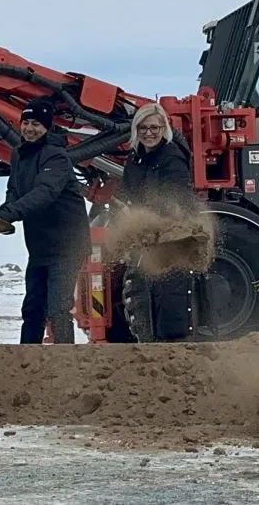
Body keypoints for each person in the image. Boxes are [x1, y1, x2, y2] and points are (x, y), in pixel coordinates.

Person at [0, 99, 91, 344]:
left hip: (67, 246)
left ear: (47, 127)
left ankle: (66, 361)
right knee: (32, 308)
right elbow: (14, 189)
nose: (30, 128)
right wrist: (3, 212)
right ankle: (27, 361)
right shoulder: (20, 154)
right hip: (39, 248)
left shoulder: (56, 157)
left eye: (36, 124)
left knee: (58, 308)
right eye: (26, 123)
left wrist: (13, 212)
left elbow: (44, 192)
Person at [114, 103, 196, 341]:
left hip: (169, 238)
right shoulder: (135, 157)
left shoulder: (172, 157)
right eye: (143, 128)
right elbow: (127, 191)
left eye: (154, 127)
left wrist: (146, 217)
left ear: (164, 128)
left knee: (168, 295)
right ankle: (147, 343)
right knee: (141, 292)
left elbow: (177, 197)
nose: (149, 133)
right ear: (136, 129)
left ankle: (170, 347)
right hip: (145, 238)